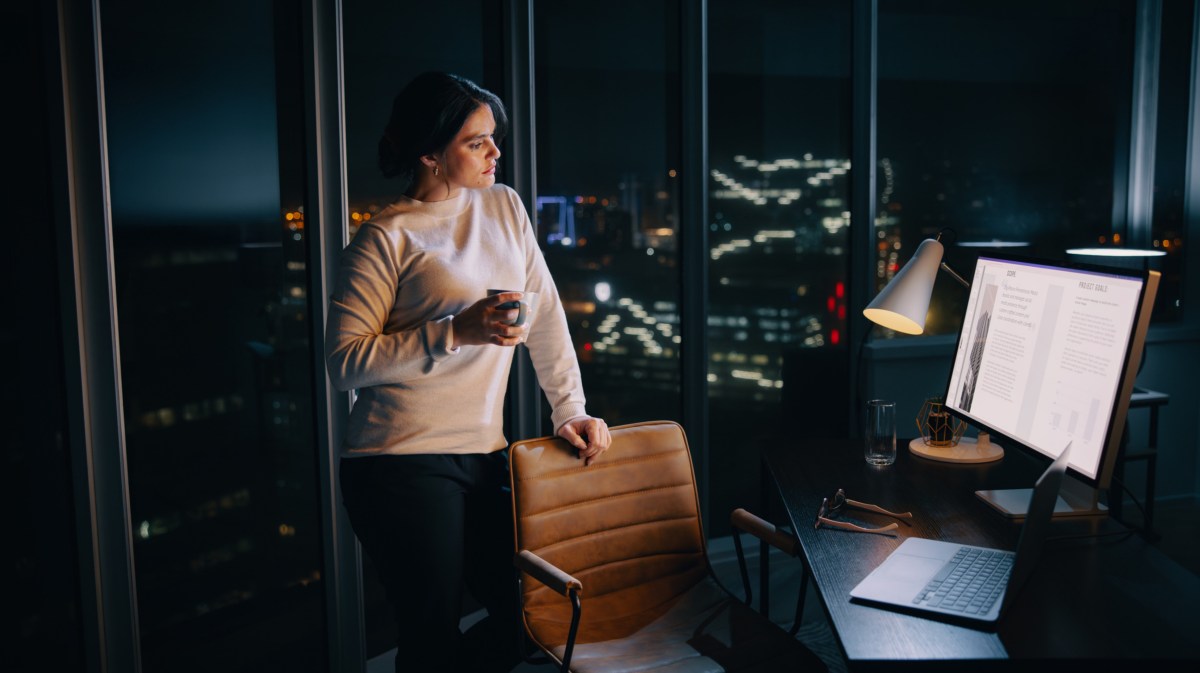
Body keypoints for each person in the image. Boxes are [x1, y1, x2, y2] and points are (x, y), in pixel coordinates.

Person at [324, 71, 611, 673]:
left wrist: (571, 410)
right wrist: (457, 332)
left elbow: (548, 316)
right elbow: (345, 363)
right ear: (429, 152)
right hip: (397, 461)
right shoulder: (386, 237)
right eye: (477, 142)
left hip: (485, 452)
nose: (495, 153)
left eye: (493, 138)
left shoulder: (502, 205)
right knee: (431, 635)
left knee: (530, 613)